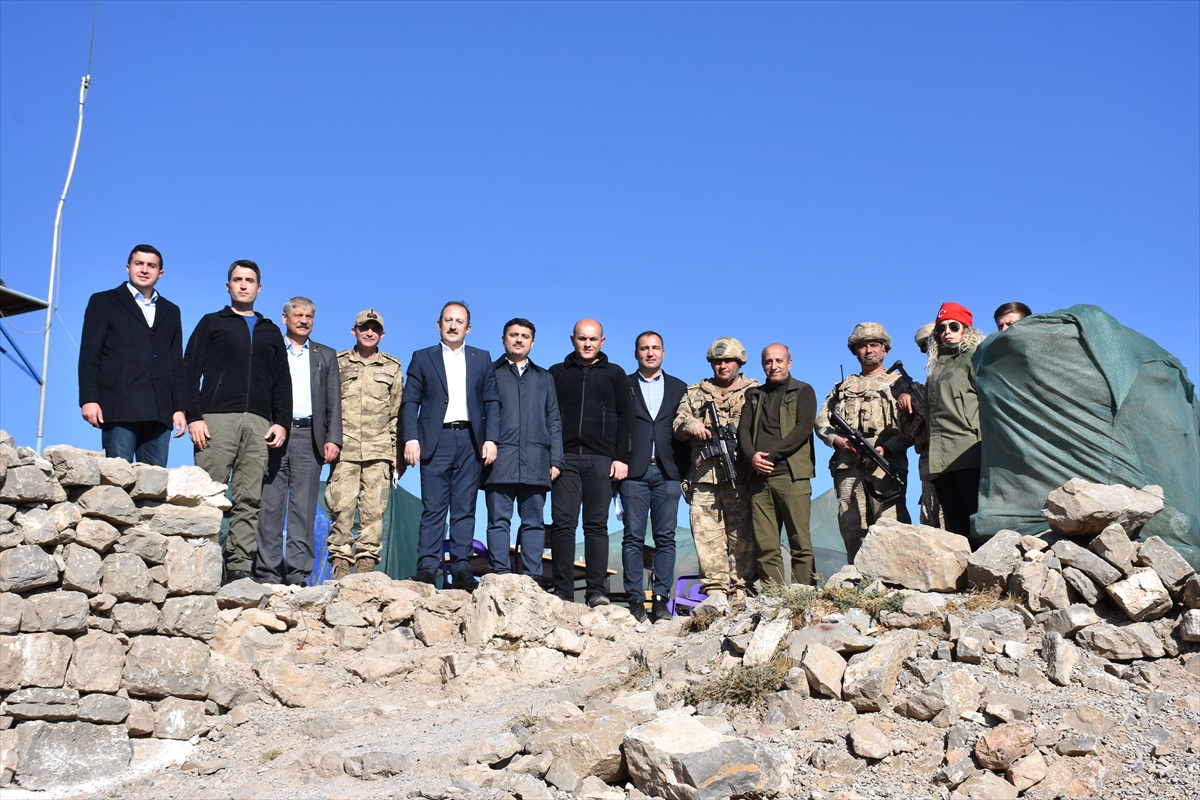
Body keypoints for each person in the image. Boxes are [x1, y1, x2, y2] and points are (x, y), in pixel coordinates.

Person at [185, 260, 291, 584]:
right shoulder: (211, 323)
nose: (243, 285)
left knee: (248, 499)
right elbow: (189, 372)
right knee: (208, 495)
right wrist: (194, 417)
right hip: (216, 421)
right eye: (237, 279)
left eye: (249, 280)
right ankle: (198, 562)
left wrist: (281, 422)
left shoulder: (271, 331)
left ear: (259, 289)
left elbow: (281, 382)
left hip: (258, 425)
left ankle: (239, 568)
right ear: (228, 286)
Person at [401, 302, 500, 590]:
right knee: (433, 508)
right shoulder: (422, 358)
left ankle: (461, 570)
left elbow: (492, 401)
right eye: (448, 320)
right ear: (438, 324)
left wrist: (491, 439)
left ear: (468, 328)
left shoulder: (482, 358)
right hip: (435, 440)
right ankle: (428, 568)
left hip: (471, 440)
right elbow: (410, 402)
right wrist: (411, 438)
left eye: (459, 321)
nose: (453, 325)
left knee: (464, 509)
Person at [253, 298, 342, 586]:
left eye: (308, 316)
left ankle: (298, 574)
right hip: (275, 435)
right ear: (285, 318)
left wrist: (333, 439)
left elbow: (333, 403)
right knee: (270, 505)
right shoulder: (270, 350)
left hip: (309, 437)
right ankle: (266, 572)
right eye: (298, 315)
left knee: (304, 510)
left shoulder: (325, 355)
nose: (303, 320)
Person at [547, 319, 632, 606]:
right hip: (564, 460)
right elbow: (547, 417)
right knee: (562, 525)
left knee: (596, 525)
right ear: (572, 339)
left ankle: (597, 591)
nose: (587, 344)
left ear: (602, 342)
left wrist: (621, 457)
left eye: (593, 339)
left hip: (602, 460)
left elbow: (626, 419)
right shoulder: (557, 373)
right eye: (582, 338)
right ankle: (562, 591)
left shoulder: (615, 374)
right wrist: (551, 455)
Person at [78, 244, 187, 465]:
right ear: (128, 268)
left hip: (159, 411)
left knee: (153, 486)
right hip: (118, 407)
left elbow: (176, 363)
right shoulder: (103, 302)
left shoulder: (171, 310)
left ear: (160, 273)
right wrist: (89, 399)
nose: (145, 269)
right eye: (139, 264)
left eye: (151, 266)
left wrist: (179, 407)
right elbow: (90, 354)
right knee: (118, 480)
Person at [673, 337, 759, 613]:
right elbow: (677, 422)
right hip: (704, 476)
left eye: (728, 361)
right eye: (717, 362)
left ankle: (743, 589)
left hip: (742, 476)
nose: (723, 366)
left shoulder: (754, 391)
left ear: (739, 363)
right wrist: (692, 425)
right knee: (706, 535)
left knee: (742, 535)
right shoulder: (696, 392)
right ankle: (714, 592)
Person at [814, 323, 911, 564]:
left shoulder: (899, 384)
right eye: (862, 346)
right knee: (851, 527)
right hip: (848, 468)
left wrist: (886, 448)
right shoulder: (841, 388)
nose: (868, 350)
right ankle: (858, 582)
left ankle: (894, 583)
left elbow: (912, 428)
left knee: (890, 526)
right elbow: (821, 422)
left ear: (885, 349)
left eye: (874, 345)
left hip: (885, 466)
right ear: (855, 351)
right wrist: (837, 440)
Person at [482, 318, 563, 580]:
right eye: (513, 334)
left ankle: (533, 577)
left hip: (537, 460)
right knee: (498, 521)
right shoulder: (489, 373)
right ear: (503, 339)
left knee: (534, 524)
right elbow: (481, 414)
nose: (519, 339)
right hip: (498, 460)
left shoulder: (544, 377)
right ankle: (500, 574)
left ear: (532, 342)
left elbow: (554, 419)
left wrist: (556, 459)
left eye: (524, 336)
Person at [325, 309, 403, 580]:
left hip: (378, 451)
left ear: (382, 334)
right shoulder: (337, 363)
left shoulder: (392, 367)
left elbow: (396, 414)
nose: (369, 333)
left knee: (373, 511)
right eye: (363, 328)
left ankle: (367, 565)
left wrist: (396, 455)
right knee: (341, 508)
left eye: (374, 329)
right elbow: (328, 407)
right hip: (343, 449)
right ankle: (340, 564)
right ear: (353, 331)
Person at [618, 332, 690, 623]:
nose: (650, 353)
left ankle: (661, 599)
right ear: (636, 353)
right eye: (644, 348)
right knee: (632, 537)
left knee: (666, 538)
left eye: (655, 348)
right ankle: (635, 599)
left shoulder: (679, 387)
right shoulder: (623, 385)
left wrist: (683, 472)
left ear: (663, 352)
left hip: (668, 471)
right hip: (632, 472)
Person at [901, 302, 985, 538]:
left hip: (969, 454)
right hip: (940, 462)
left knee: (978, 525)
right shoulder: (936, 370)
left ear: (966, 330)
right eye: (941, 328)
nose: (946, 331)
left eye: (953, 326)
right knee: (957, 530)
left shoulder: (975, 359)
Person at [737, 344, 818, 587]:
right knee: (766, 545)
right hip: (759, 479)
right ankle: (774, 600)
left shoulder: (803, 391)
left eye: (779, 361)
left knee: (799, 541)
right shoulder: (754, 395)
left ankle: (803, 596)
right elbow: (743, 429)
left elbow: (803, 429)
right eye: (769, 362)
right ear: (763, 365)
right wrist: (752, 457)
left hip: (792, 477)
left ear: (789, 363)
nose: (774, 366)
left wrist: (771, 456)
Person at [909, 323, 944, 529]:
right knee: (931, 521)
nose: (927, 351)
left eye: (929, 344)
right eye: (924, 347)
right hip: (930, 463)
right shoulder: (932, 378)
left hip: (956, 458)